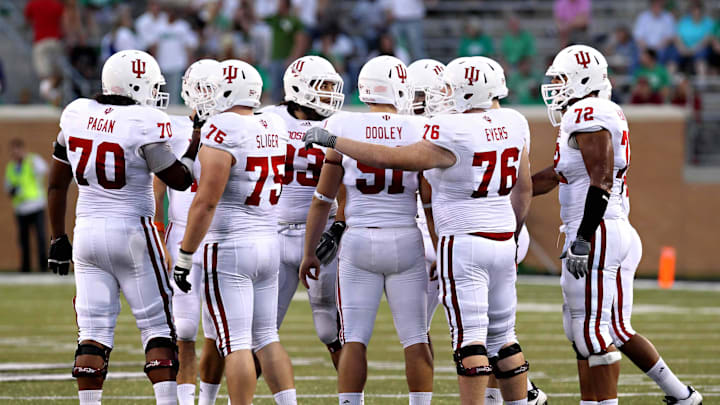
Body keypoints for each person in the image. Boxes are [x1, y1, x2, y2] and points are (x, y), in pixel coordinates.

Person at [303, 55, 534, 405]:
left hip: (438, 239)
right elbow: (523, 188)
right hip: (490, 236)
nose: (442, 96)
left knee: (460, 340)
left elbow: (387, 161)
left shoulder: (440, 130)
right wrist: (513, 232)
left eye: (449, 89)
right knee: (487, 337)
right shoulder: (513, 122)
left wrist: (335, 140)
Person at [536, 44, 703, 405]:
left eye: (562, 79)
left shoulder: (587, 111)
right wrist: (507, 191)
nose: (557, 87)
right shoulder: (595, 111)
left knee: (591, 332)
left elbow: (601, 178)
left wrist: (582, 236)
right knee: (604, 330)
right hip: (612, 226)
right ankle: (682, 396)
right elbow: (562, 174)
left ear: (584, 79)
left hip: (598, 228)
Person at [46, 49, 200, 405]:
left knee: (92, 333)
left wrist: (58, 238)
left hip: (85, 233)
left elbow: (56, 184)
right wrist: (194, 143)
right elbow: (177, 179)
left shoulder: (77, 113)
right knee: (159, 331)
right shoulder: (144, 121)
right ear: (137, 85)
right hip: (132, 230)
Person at [300, 55, 434, 405]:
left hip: (359, 240)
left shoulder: (343, 124)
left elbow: (322, 199)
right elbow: (430, 201)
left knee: (354, 338)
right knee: (416, 337)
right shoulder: (418, 127)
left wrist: (308, 252)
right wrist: (440, 246)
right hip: (406, 235)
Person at [172, 59, 297, 405]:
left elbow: (206, 202)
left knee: (237, 343)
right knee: (267, 338)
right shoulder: (273, 123)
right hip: (268, 240)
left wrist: (184, 256)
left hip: (229, 245)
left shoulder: (223, 127)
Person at [257, 55, 346, 368]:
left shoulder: (335, 123)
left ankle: (352, 398)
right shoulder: (267, 118)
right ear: (300, 88)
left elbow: (347, 180)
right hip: (274, 232)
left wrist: (339, 225)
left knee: (329, 326)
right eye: (323, 88)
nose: (329, 95)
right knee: (263, 330)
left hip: (321, 234)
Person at [152, 59, 226, 405]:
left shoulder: (238, 127)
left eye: (213, 88)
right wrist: (157, 230)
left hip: (224, 236)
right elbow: (158, 184)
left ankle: (208, 399)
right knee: (183, 330)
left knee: (219, 331)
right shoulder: (171, 126)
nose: (207, 97)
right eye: (202, 88)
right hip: (182, 232)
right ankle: (183, 401)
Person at [5, 139, 48, 272]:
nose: (15, 153)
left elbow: (44, 169)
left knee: (41, 237)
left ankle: (43, 267)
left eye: (17, 149)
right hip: (21, 208)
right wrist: (11, 190)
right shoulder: (11, 167)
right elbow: (7, 186)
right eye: (13, 150)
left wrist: (29, 160)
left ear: (23, 149)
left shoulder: (32, 160)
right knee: (23, 240)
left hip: (36, 206)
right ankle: (25, 267)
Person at [266, 0, 307, 103]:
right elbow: (257, 19)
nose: (277, 6)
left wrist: (293, 59)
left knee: (288, 88)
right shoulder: (275, 19)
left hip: (287, 60)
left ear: (286, 5)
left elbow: (300, 41)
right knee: (275, 88)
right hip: (275, 59)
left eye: (280, 4)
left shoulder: (294, 21)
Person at [24, 0, 65, 82]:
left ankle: (49, 91)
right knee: (55, 73)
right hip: (55, 41)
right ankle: (55, 90)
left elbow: (27, 21)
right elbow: (63, 23)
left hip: (40, 41)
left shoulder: (32, 3)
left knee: (44, 75)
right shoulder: (57, 4)